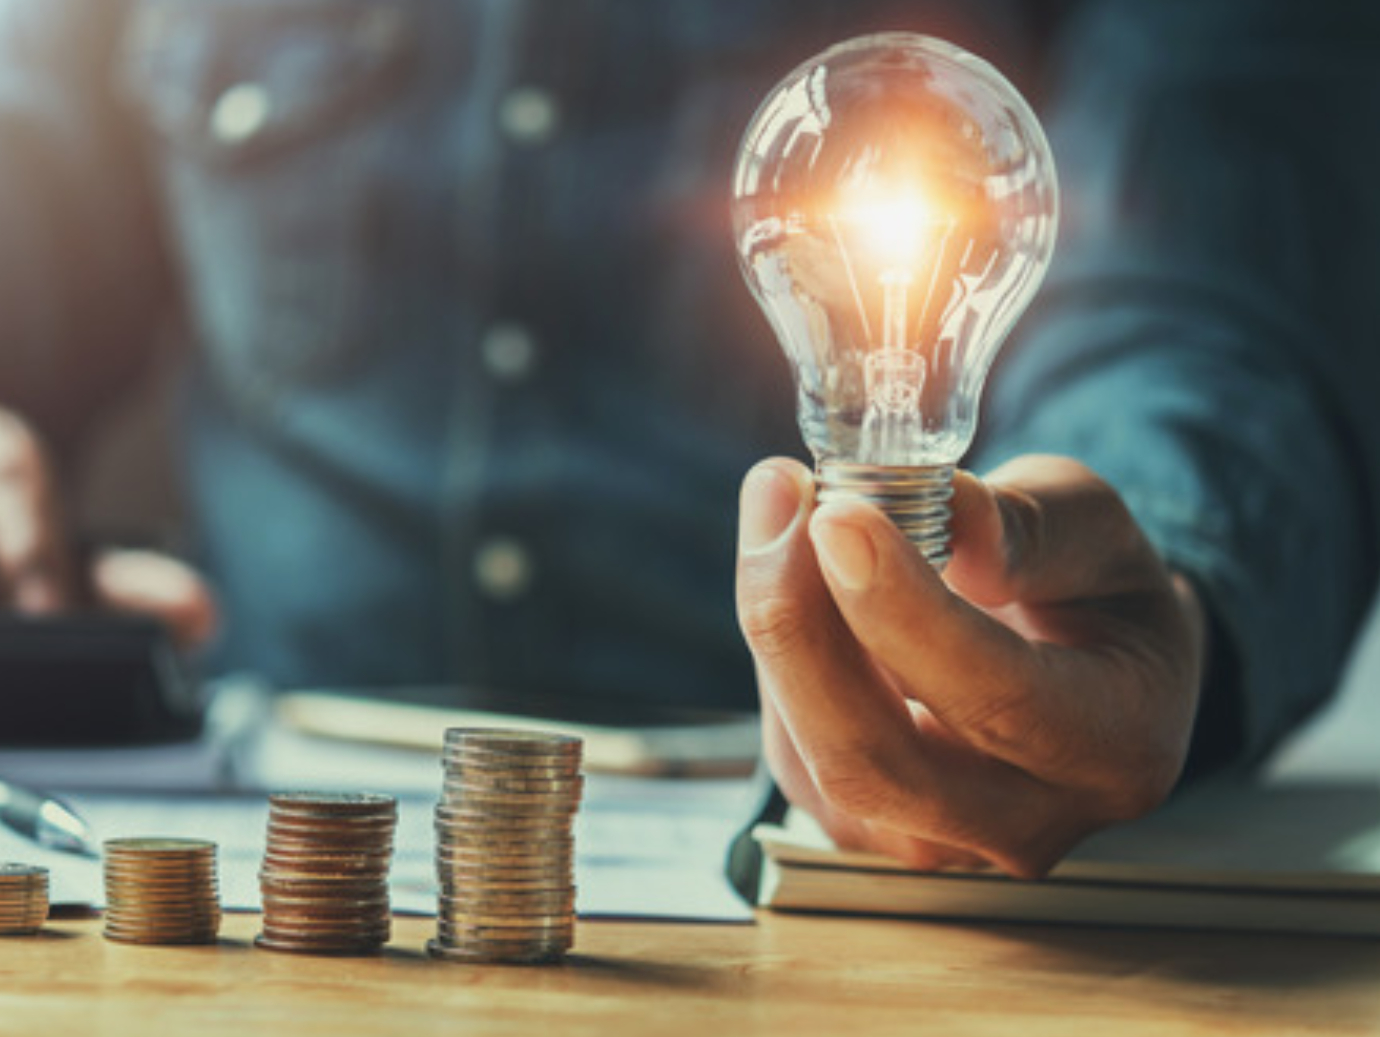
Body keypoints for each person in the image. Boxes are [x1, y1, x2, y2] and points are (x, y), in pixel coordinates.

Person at [1, 0, 1376, 877]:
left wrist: (1145, 575)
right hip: (279, 821)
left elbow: (1206, 268)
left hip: (832, 850)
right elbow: (39, 180)